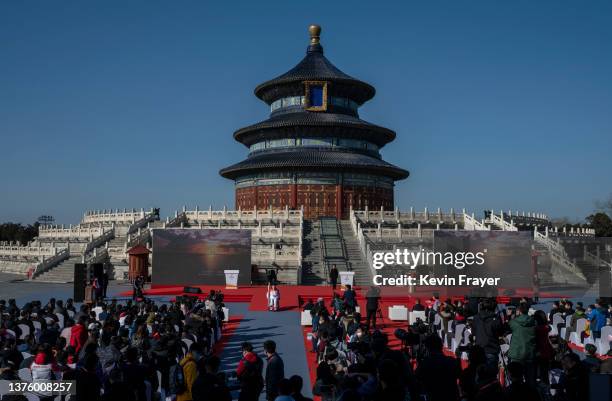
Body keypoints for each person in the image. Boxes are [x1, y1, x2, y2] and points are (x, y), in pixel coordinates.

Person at [415, 334, 460, 401]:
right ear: (441, 346)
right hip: (451, 397)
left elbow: (417, 382)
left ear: (427, 348)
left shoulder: (424, 364)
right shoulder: (452, 361)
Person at [508, 303, 536, 386]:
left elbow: (508, 325)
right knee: (530, 379)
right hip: (529, 353)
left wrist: (511, 316)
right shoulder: (533, 321)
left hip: (517, 353)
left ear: (519, 311)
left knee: (516, 378)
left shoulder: (514, 322)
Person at [471, 298, 503, 369]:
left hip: (480, 349)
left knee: (479, 375)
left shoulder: (476, 318)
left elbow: (473, 333)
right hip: (491, 349)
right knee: (491, 376)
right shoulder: (495, 319)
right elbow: (501, 332)